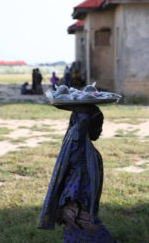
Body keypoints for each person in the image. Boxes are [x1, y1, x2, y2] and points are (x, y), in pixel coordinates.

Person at [39, 104, 116, 242]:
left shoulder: (81, 147)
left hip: (75, 206)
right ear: (85, 125)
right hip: (76, 207)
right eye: (98, 124)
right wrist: (83, 107)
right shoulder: (77, 145)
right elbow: (81, 123)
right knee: (100, 236)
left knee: (74, 235)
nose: (100, 130)